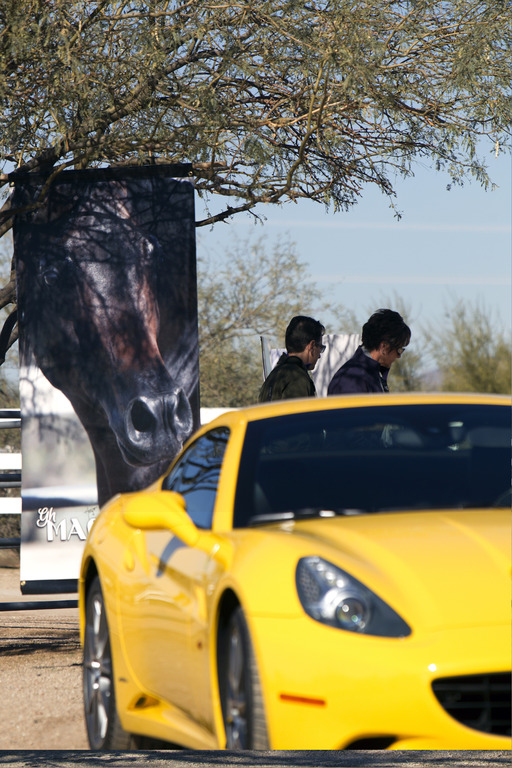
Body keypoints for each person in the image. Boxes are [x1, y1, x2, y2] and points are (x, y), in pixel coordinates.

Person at [327, 309, 410, 395]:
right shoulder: (353, 379)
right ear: (384, 347)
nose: (399, 356)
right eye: (399, 350)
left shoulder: (368, 374)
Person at [259, 315, 326, 401]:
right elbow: (298, 414)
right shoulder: (297, 378)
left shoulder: (273, 375)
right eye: (320, 348)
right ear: (312, 346)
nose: (319, 356)